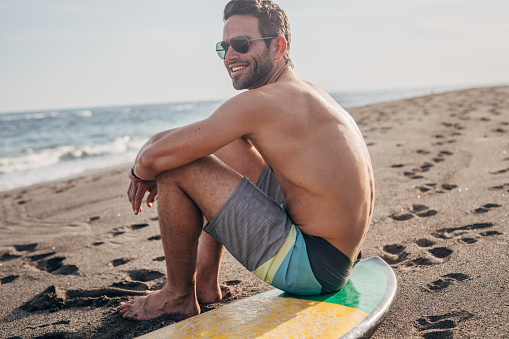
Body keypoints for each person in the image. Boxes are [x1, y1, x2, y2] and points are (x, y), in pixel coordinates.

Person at [118, 0, 374, 321]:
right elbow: (174, 141)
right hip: (340, 255)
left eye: (241, 44)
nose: (229, 56)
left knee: (176, 168)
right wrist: (149, 160)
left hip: (313, 267)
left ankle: (178, 295)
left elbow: (158, 155)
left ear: (278, 46)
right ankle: (205, 282)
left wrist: (140, 171)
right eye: (223, 47)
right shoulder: (304, 93)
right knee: (220, 146)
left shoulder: (263, 103)